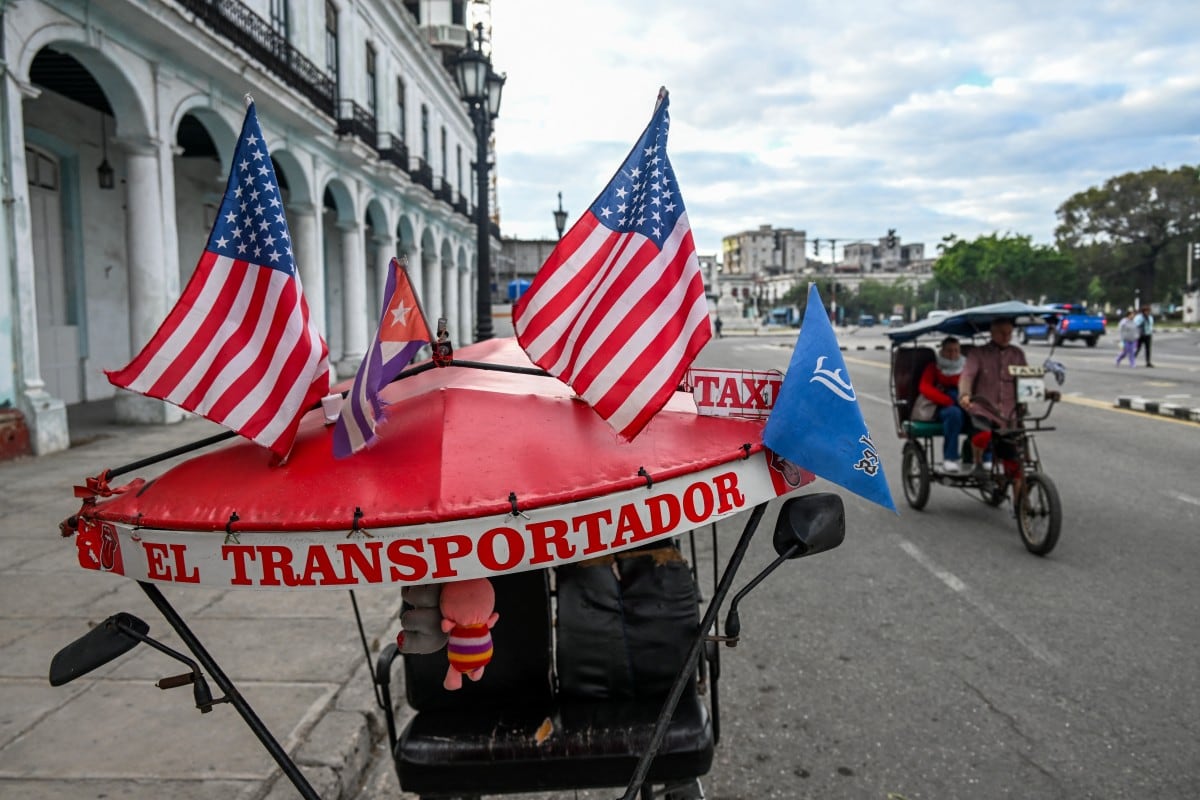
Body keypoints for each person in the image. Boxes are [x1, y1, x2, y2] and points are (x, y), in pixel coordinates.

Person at [959, 317, 1027, 476]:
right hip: (983, 409)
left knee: (1015, 462)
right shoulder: (978, 353)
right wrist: (965, 395)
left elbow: (1028, 379)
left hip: (1010, 412)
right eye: (1002, 333)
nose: (1006, 337)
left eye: (1009, 333)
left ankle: (1021, 498)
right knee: (983, 434)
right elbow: (967, 376)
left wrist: (1046, 392)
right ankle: (977, 463)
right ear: (993, 333)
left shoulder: (1017, 354)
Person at [912, 336, 967, 472]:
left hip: (964, 403)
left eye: (956, 351)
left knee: (982, 415)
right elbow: (925, 387)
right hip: (942, 406)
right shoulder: (934, 367)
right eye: (949, 351)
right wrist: (947, 400)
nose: (953, 354)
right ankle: (950, 457)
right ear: (942, 351)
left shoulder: (966, 366)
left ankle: (983, 457)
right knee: (954, 414)